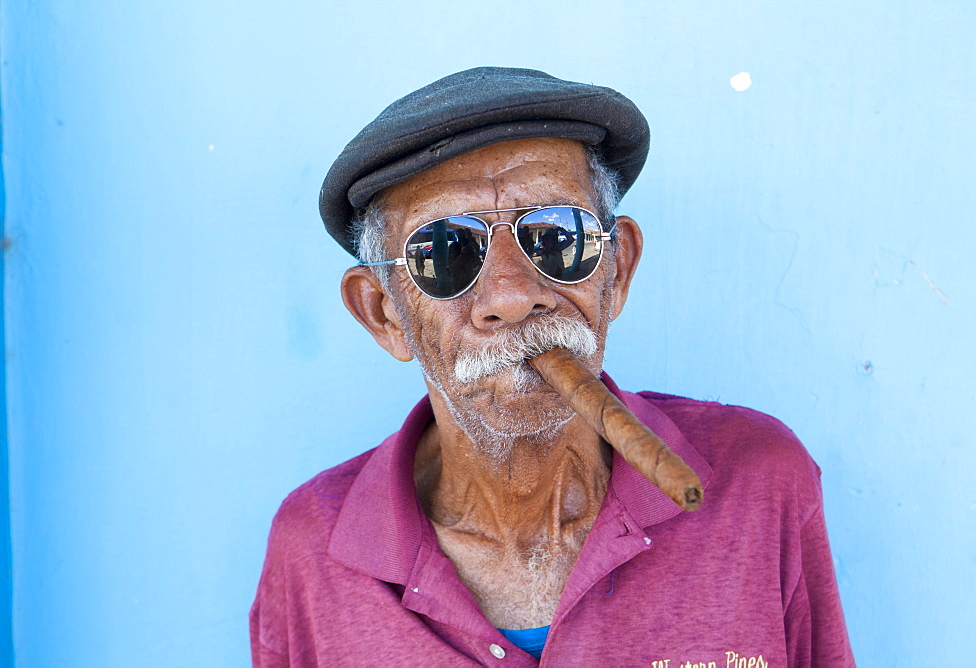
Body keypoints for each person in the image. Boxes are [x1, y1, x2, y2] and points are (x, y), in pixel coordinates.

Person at [250, 67, 854, 667]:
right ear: (384, 314)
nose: (515, 294)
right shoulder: (312, 550)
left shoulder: (759, 482)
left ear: (615, 273)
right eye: (447, 251)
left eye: (556, 235)